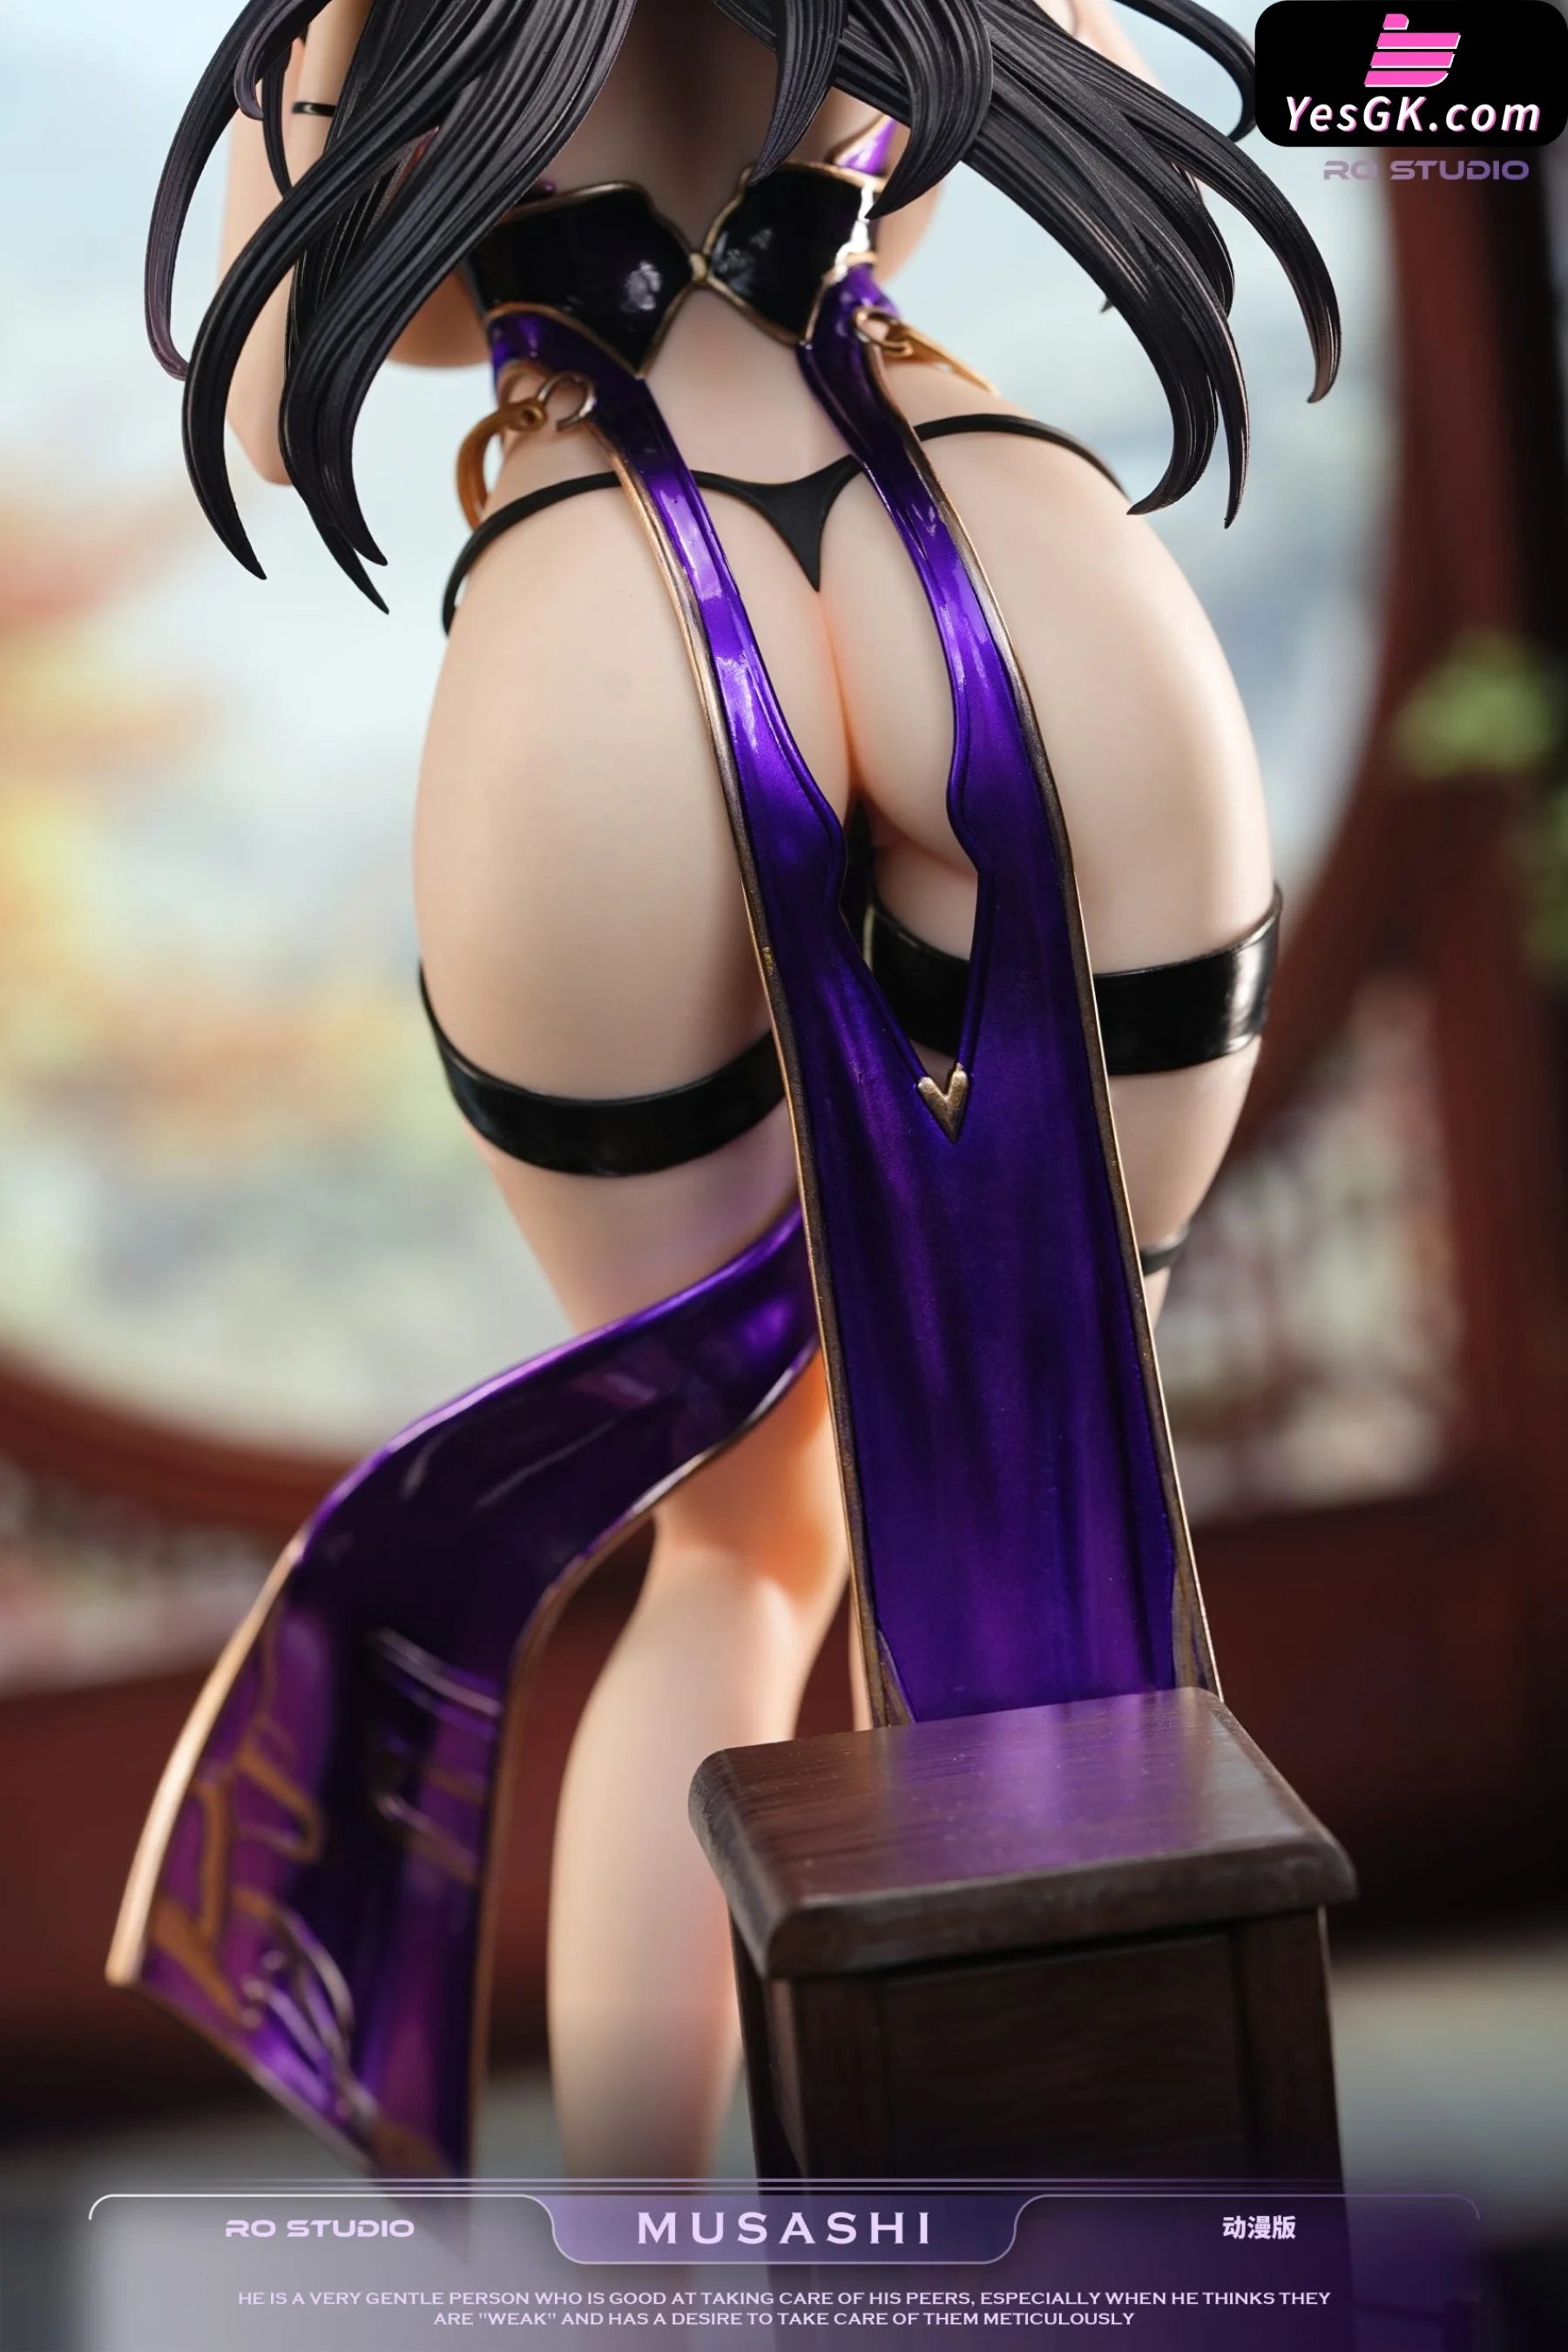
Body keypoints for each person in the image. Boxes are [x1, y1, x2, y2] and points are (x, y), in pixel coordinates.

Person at [111, 0, 1336, 2179]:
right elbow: (992, 139)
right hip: (1015, 563)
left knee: (740, 1555)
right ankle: (1130, 2213)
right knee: (1071, 1441)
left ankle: (652, 2289)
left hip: (608, 622)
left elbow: (289, 399)